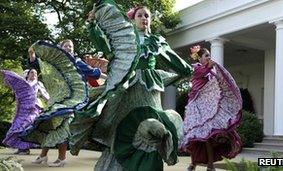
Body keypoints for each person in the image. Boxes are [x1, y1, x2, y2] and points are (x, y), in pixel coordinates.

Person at [69, 2, 192, 171]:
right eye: (139, 15)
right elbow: (104, 44)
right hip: (127, 85)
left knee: (151, 128)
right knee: (117, 122)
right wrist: (92, 25)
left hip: (149, 87)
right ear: (133, 20)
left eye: (147, 15)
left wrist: (190, 70)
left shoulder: (156, 41)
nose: (144, 18)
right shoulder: (125, 41)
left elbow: (173, 59)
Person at [28, 39, 106, 167]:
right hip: (56, 98)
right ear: (61, 48)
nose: (69, 48)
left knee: (62, 126)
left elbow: (92, 72)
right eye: (66, 46)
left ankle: (61, 158)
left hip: (71, 99)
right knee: (50, 124)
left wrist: (109, 77)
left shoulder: (76, 62)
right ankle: (43, 155)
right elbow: (38, 62)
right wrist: (32, 54)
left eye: (71, 46)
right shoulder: (55, 61)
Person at [180, 45, 242, 171]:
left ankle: (210, 165)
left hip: (205, 107)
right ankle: (193, 164)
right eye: (206, 55)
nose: (209, 57)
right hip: (194, 106)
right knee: (194, 137)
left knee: (207, 137)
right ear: (200, 58)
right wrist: (211, 66)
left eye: (209, 55)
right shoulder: (196, 68)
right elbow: (203, 71)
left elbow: (216, 82)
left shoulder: (210, 72)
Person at [1, 68, 49, 155]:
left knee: (26, 126)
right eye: (31, 72)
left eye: (35, 73)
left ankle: (25, 148)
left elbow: (45, 95)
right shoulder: (23, 83)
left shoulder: (38, 84)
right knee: (16, 127)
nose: (33, 74)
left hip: (34, 108)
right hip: (22, 109)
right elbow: (10, 85)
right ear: (28, 74)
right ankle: (21, 147)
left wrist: (52, 102)